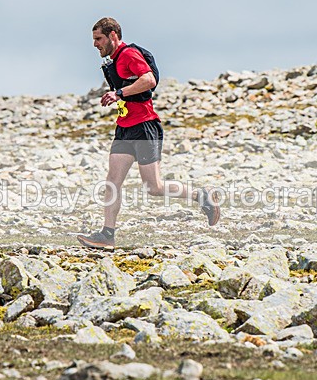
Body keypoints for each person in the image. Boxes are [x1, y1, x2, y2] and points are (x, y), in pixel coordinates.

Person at [76, 17, 220, 250]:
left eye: (98, 39)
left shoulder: (129, 55)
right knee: (112, 182)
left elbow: (149, 80)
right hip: (125, 127)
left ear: (113, 35)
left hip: (145, 126)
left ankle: (201, 196)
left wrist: (119, 93)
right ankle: (107, 235)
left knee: (153, 187)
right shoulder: (113, 61)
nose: (95, 44)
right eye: (93, 39)